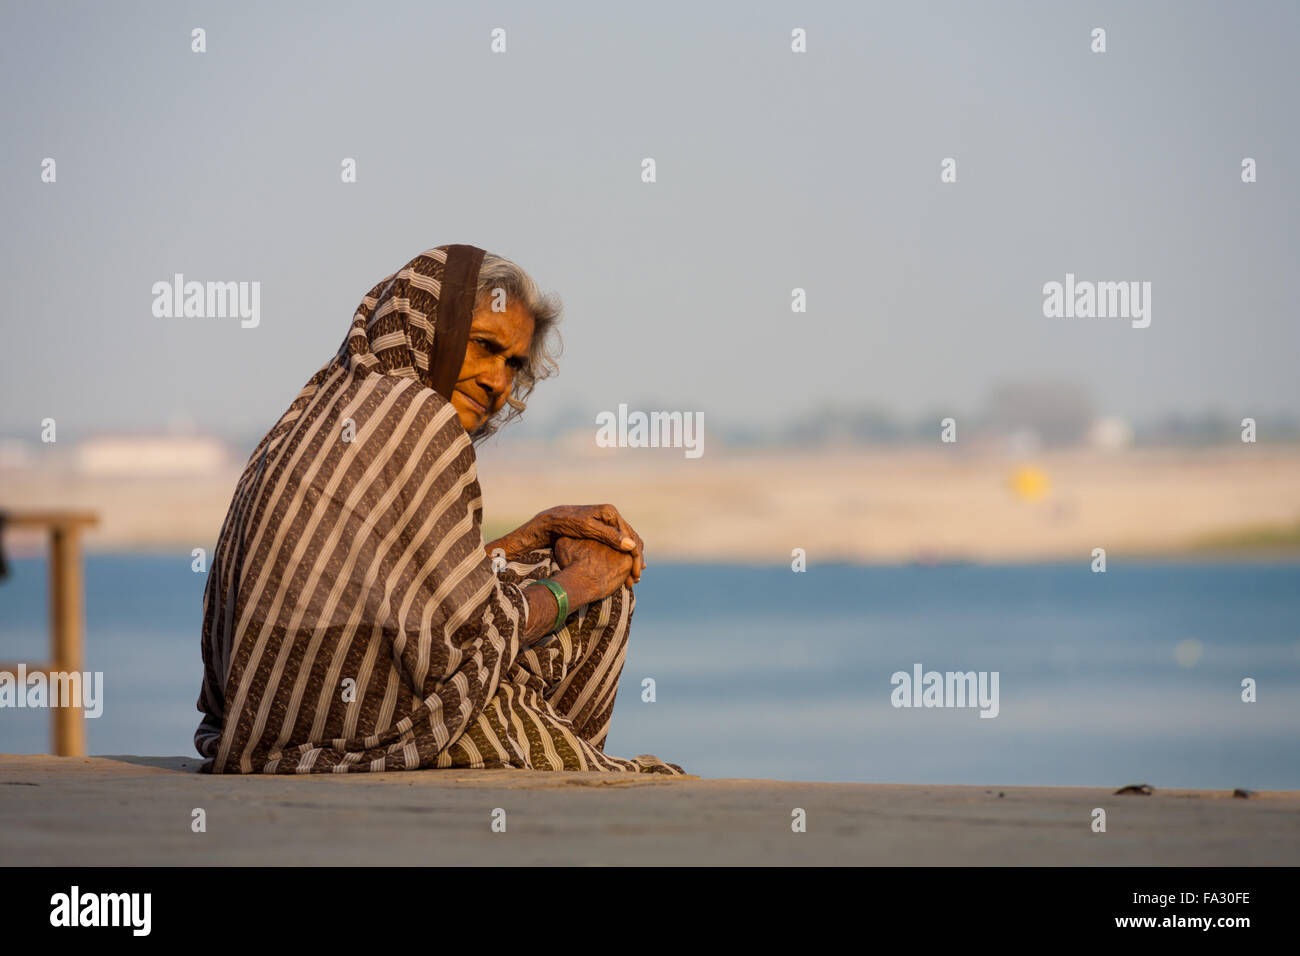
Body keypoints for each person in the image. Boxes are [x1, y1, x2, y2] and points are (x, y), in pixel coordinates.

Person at [194, 244, 686, 775]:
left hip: (258, 719)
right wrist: (582, 584)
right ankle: (558, 785)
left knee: (547, 575)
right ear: (433, 329)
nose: (498, 382)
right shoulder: (419, 419)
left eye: (513, 363)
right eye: (483, 346)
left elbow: (406, 592)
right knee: (601, 600)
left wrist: (529, 536)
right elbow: (464, 640)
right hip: (340, 725)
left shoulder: (319, 410)